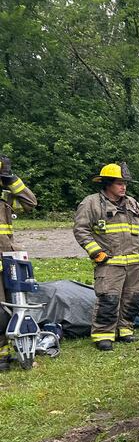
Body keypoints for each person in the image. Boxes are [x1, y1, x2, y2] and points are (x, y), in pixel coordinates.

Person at [73, 163, 139, 351]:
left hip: (134, 264)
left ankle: (125, 330)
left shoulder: (133, 204)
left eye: (125, 183)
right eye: (119, 183)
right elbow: (81, 230)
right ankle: (103, 335)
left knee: (132, 299)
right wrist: (96, 252)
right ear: (107, 183)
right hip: (109, 263)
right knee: (109, 299)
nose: (123, 187)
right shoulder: (91, 203)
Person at [0, 155, 38, 370]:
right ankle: (2, 356)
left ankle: (7, 352)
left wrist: (12, 181)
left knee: (13, 305)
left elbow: (30, 203)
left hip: (8, 259)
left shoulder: (5, 198)